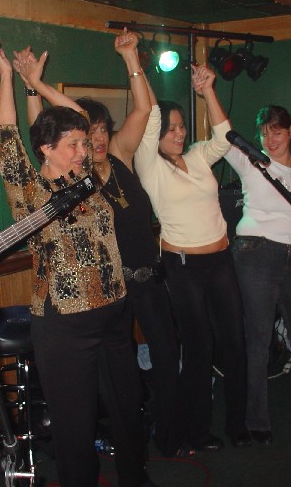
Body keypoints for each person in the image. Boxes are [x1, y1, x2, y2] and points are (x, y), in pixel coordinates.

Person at [0, 38, 156, 487]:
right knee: (75, 426)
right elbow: (6, 136)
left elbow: (79, 116)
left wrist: (38, 83)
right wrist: (7, 76)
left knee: (127, 407)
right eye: (74, 144)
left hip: (114, 314)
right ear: (45, 148)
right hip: (65, 325)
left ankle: (135, 478)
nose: (84, 150)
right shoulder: (30, 192)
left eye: (85, 143)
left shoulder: (90, 177)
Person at [12, 30, 181, 457]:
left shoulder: (120, 155)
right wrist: (32, 88)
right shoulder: (74, 175)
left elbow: (143, 108)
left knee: (156, 364)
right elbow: (40, 136)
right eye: (90, 133)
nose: (97, 139)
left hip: (143, 279)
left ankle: (161, 440)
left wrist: (131, 57)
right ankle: (107, 443)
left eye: (101, 130)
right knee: (110, 382)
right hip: (104, 292)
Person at [134, 65, 251, 451]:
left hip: (220, 260)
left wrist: (209, 90)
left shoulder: (199, 156)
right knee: (199, 348)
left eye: (182, 126)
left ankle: (238, 425)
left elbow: (223, 135)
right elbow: (150, 116)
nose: (179, 133)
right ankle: (196, 432)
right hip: (183, 266)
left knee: (235, 342)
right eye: (171, 128)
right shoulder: (149, 165)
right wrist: (136, 65)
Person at [221, 101, 291, 444]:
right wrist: (208, 91)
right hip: (256, 252)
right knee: (258, 340)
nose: (270, 140)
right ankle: (256, 420)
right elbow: (222, 132)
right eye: (265, 133)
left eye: (277, 132)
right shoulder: (251, 162)